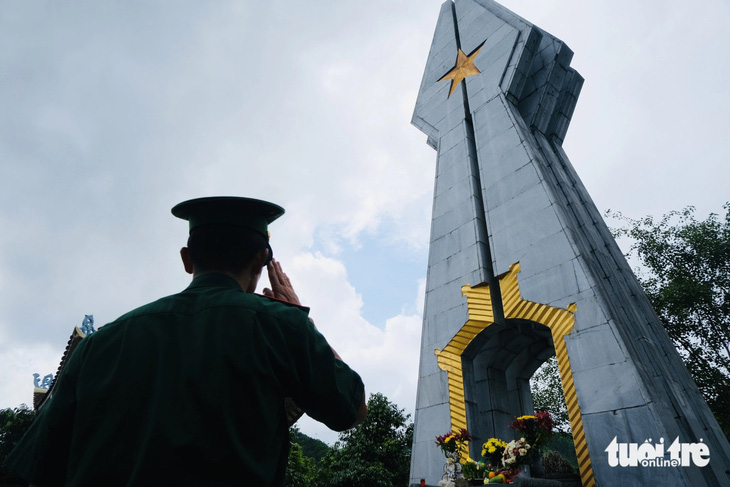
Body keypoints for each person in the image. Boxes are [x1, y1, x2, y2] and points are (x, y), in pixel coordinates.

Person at [7, 196, 367, 486]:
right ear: (262, 259)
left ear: (186, 259)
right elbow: (351, 409)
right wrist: (303, 319)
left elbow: (32, 467)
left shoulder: (99, 345)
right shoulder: (281, 326)